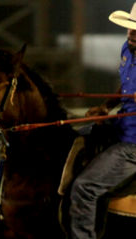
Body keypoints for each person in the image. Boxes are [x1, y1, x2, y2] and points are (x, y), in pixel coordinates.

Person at [68, 3, 136, 239]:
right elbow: (124, 87)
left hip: (133, 144)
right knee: (74, 135)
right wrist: (106, 106)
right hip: (121, 126)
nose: (132, 32)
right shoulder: (126, 50)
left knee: (85, 188)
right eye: (130, 27)